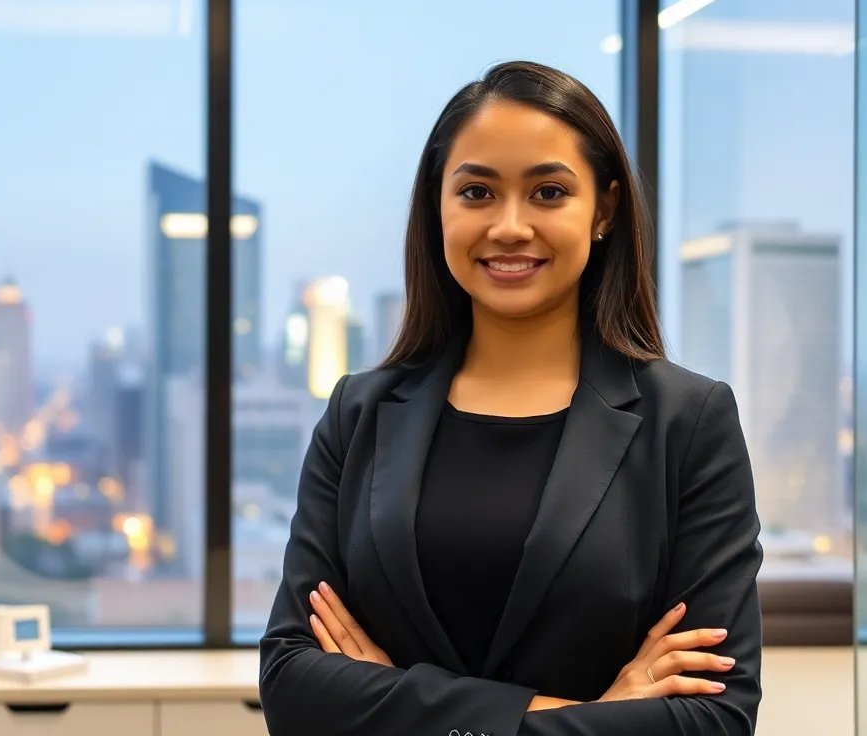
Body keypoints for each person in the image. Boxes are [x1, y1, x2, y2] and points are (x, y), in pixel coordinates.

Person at [258, 61, 763, 736]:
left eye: (549, 192)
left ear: (604, 210)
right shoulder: (361, 414)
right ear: (438, 206)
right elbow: (292, 682)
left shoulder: (687, 423)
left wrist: (391, 700)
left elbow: (713, 718)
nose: (510, 226)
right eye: (476, 193)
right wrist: (587, 717)